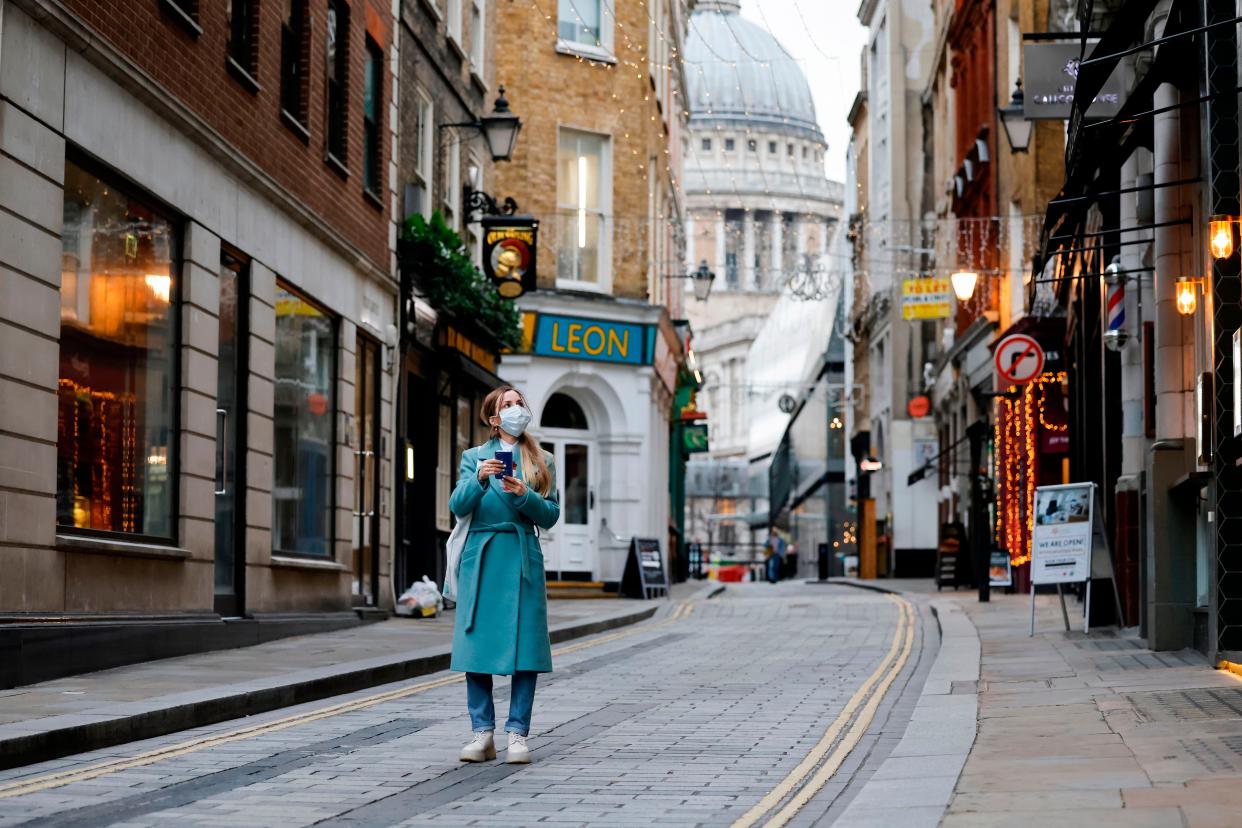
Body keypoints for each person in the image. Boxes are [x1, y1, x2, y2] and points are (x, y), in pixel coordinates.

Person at [449, 385, 560, 765]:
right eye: (507, 405)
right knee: (475, 648)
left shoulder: (541, 459)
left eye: (519, 403)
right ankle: (482, 734)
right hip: (481, 557)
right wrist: (479, 479)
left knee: (526, 651)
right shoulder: (473, 457)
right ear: (494, 420)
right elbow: (457, 505)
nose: (516, 409)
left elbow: (550, 516)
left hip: (522, 556)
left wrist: (522, 495)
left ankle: (517, 734)